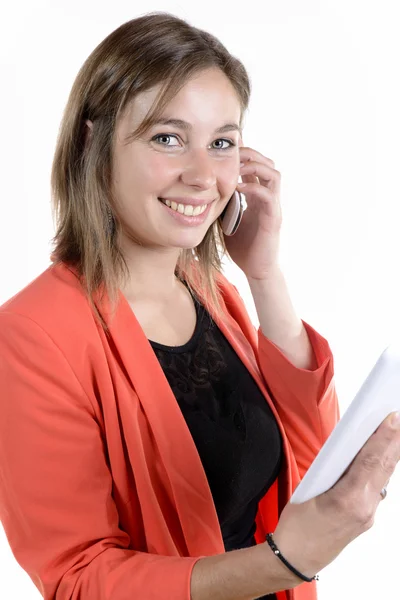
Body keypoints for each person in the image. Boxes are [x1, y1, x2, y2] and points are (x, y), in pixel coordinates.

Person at [0, 12, 399, 600]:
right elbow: (77, 579)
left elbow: (305, 460)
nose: (203, 176)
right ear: (94, 142)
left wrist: (263, 273)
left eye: (222, 144)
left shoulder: (209, 289)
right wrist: (282, 564)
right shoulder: (33, 335)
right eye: (168, 138)